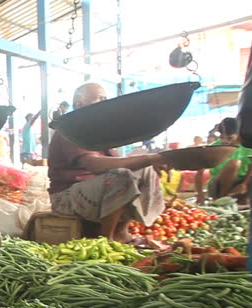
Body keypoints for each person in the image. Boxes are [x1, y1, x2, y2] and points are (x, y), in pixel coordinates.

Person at [47, 83, 165, 242]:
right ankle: (106, 239)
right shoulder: (70, 128)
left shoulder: (97, 130)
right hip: (65, 197)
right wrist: (147, 158)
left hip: (93, 190)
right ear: (80, 104)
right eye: (100, 99)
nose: (105, 103)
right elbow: (94, 164)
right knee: (121, 176)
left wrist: (147, 159)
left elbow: (115, 161)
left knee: (145, 169)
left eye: (106, 98)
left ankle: (121, 231)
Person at [195, 117, 252, 204]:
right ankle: (223, 199)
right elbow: (199, 173)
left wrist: (244, 184)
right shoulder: (214, 148)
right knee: (234, 163)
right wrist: (200, 193)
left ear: (238, 133)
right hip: (217, 187)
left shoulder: (248, 146)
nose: (225, 141)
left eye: (230, 138)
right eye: (222, 137)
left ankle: (240, 200)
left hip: (239, 185)